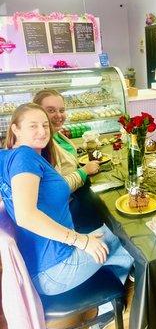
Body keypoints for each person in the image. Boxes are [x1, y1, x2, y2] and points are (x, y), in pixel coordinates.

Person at [0, 103, 133, 329]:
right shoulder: (24, 157)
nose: (42, 131)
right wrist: (81, 241)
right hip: (57, 269)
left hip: (40, 266)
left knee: (105, 234)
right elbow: (26, 216)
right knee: (129, 242)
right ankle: (108, 309)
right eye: (33, 126)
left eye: (45, 125)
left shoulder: (8, 157)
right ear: (15, 129)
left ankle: (113, 281)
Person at [33, 89, 103, 233]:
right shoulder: (43, 145)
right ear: (38, 113)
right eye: (51, 110)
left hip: (80, 196)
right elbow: (55, 189)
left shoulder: (57, 134)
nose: (58, 115)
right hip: (70, 211)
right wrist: (84, 171)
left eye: (62, 110)